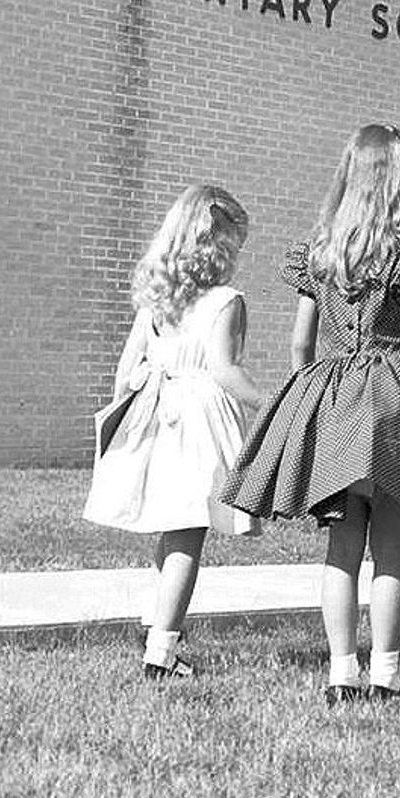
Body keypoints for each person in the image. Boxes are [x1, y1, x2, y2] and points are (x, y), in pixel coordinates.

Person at [220, 123, 400, 705]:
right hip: (396, 403)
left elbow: (301, 345)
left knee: (341, 548)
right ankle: (387, 674)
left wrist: (307, 405)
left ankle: (341, 673)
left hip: (334, 401)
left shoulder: (320, 253)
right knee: (392, 546)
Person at [84, 184, 263, 678]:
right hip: (198, 420)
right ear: (218, 245)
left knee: (172, 524)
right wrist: (268, 405)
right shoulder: (227, 301)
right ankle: (161, 653)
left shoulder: (155, 298)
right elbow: (225, 370)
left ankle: (155, 623)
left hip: (156, 411)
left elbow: (125, 372)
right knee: (189, 532)